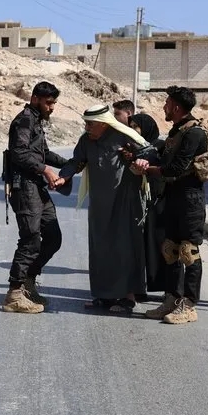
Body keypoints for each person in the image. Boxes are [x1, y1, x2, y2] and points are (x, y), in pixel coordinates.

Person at [56, 104, 151, 314]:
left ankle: (128, 297)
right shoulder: (86, 141)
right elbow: (77, 161)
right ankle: (104, 295)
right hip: (100, 204)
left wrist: (140, 159)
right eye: (86, 124)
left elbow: (149, 151)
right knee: (100, 248)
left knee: (124, 247)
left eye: (90, 124)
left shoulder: (124, 136)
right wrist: (64, 177)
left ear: (103, 123)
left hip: (125, 202)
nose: (87, 128)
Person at [133, 86, 208, 324]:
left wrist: (149, 170)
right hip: (173, 196)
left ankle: (189, 305)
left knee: (189, 251)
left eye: (167, 104)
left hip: (190, 199)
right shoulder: (177, 130)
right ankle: (172, 299)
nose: (164, 107)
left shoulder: (194, 133)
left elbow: (176, 168)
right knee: (170, 250)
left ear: (176, 107)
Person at [3, 81, 69, 314]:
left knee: (53, 237)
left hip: (36, 187)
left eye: (54, 103)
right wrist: (45, 170)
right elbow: (19, 153)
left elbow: (44, 153)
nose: (52, 107)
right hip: (24, 187)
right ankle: (14, 294)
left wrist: (70, 164)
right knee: (31, 239)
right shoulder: (24, 120)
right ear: (35, 99)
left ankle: (28, 283)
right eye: (49, 103)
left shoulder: (36, 121)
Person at [126, 114, 169, 298]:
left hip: (158, 200)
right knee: (138, 246)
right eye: (131, 126)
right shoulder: (129, 148)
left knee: (158, 244)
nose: (133, 130)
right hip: (138, 201)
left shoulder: (160, 146)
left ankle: (167, 289)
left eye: (136, 126)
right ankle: (138, 288)